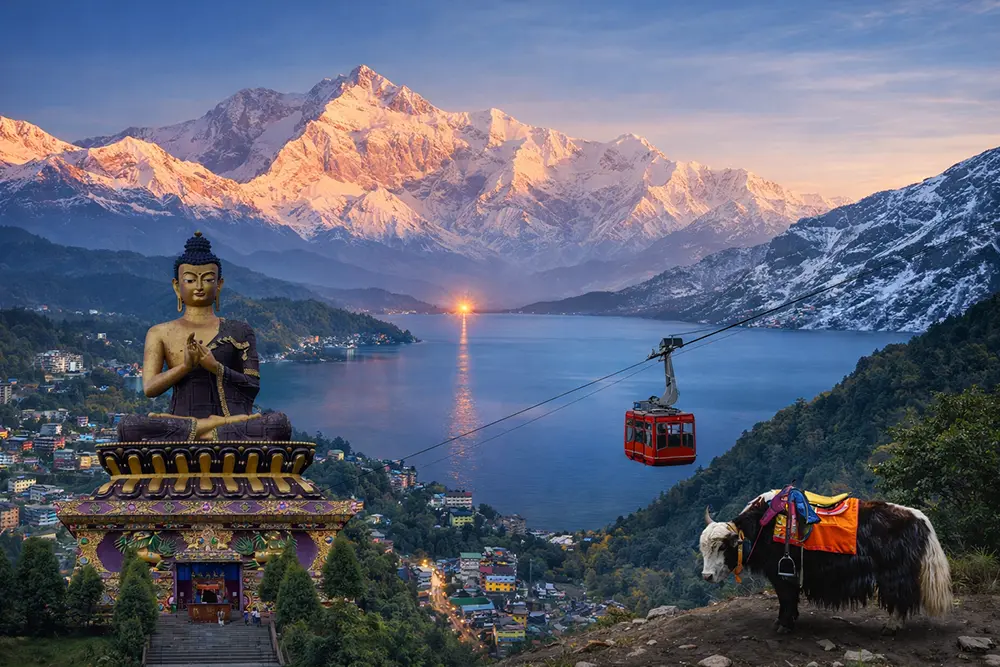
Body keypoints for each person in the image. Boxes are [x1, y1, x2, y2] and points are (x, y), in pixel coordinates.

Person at [116, 231, 292, 442]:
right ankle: (212, 428)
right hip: (184, 420)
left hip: (215, 424)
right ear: (176, 286)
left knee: (278, 424)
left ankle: (200, 430)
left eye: (208, 279)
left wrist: (214, 367)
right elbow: (150, 388)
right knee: (128, 426)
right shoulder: (159, 332)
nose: (199, 287)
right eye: (190, 280)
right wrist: (185, 367)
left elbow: (252, 384)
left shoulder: (240, 330)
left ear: (219, 285)